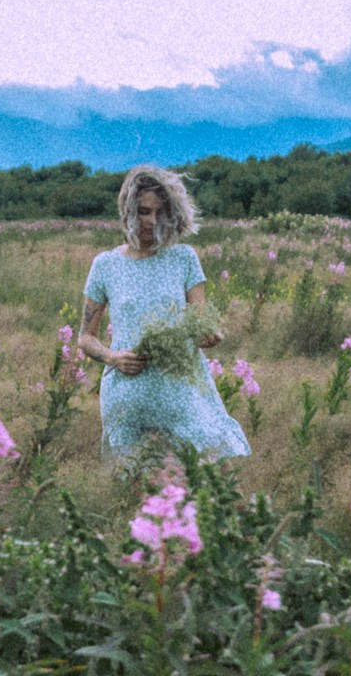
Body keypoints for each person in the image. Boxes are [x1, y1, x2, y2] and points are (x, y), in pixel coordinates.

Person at [74, 165, 250, 459]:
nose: (151, 221)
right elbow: (85, 337)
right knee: (131, 480)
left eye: (160, 212)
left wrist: (209, 335)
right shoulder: (105, 265)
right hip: (126, 392)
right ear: (128, 210)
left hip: (179, 387)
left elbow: (200, 323)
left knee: (203, 467)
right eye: (144, 211)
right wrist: (113, 357)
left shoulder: (183, 258)